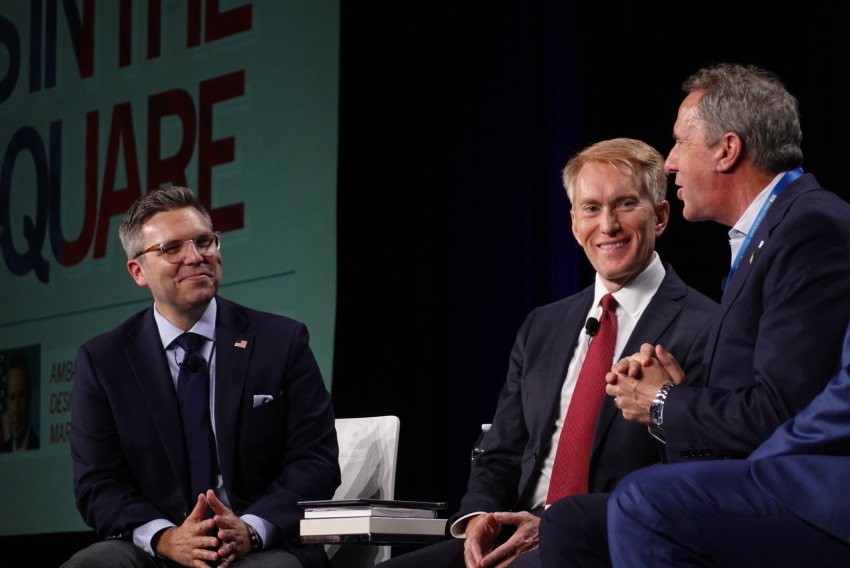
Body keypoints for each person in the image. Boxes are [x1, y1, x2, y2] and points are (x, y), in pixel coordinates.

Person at [540, 63, 850, 566]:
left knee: (641, 502)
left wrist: (661, 403)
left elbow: (783, 410)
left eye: (681, 143)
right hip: (751, 474)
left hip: (806, 490)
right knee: (570, 520)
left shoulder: (809, 229)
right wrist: (679, 399)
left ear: (727, 150)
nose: (670, 163)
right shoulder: (769, 234)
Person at [380, 138, 717, 568]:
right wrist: (481, 515)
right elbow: (501, 449)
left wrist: (666, 410)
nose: (608, 225)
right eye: (591, 208)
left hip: (611, 537)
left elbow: (704, 467)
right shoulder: (543, 325)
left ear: (662, 216)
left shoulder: (706, 326)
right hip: (517, 529)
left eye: (626, 204)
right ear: (574, 223)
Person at [62, 186, 340, 568]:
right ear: (138, 271)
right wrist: (165, 537)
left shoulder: (281, 341)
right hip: (158, 549)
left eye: (204, 241)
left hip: (260, 547)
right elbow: (99, 484)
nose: (196, 257)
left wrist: (251, 529)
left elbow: (316, 461)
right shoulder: (103, 361)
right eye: (171, 249)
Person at [607, 320, 850, 567]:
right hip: (765, 459)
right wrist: (666, 413)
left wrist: (664, 403)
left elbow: (777, 411)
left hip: (823, 485)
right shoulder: (566, 315)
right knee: (576, 520)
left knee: (644, 505)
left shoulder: (700, 317)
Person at [1, 350, 40, 452]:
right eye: (12, 397)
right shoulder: (3, 450)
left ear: (29, 399)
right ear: (6, 401)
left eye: (21, 396)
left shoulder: (37, 443)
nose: (16, 410)